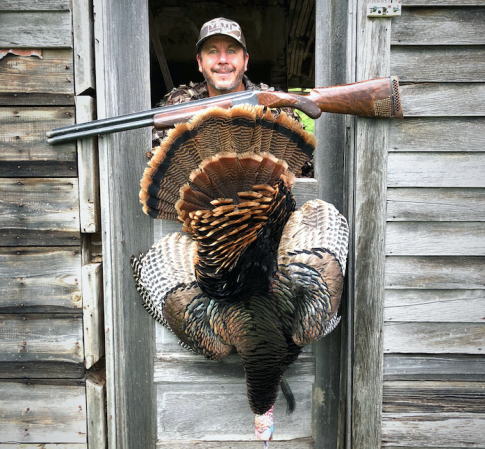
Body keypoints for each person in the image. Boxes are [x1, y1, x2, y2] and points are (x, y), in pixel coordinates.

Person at [152, 17, 303, 148]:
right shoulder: (177, 105)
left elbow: (305, 169)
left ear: (245, 61)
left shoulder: (279, 107)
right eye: (213, 51)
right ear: (200, 62)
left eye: (231, 51)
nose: (223, 60)